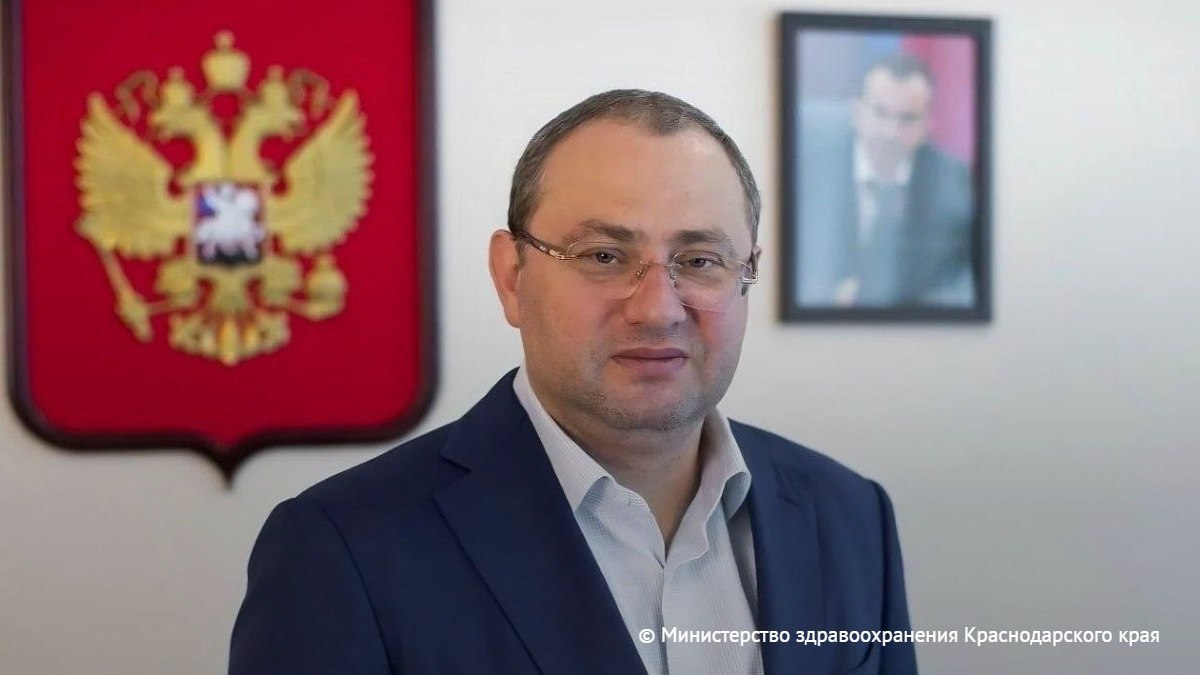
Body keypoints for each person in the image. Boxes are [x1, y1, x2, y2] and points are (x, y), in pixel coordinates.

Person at [230, 89, 917, 675]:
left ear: (747, 274)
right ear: (512, 277)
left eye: (700, 259)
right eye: (604, 255)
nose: (658, 308)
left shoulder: (850, 516)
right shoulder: (345, 548)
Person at [796, 53, 974, 308]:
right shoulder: (811, 169)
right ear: (857, 111)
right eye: (880, 113)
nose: (891, 132)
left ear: (927, 124)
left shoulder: (954, 182)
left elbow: (958, 284)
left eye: (908, 118)